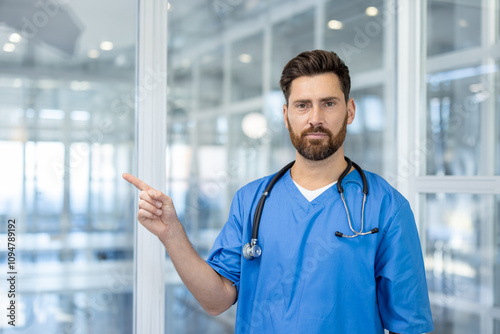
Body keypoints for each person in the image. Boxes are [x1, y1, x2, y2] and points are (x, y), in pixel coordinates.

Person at [123, 50, 434, 334]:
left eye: (328, 103)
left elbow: (411, 326)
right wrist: (173, 235)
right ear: (286, 115)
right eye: (303, 105)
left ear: (350, 111)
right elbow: (216, 301)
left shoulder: (386, 206)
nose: (315, 118)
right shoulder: (251, 200)